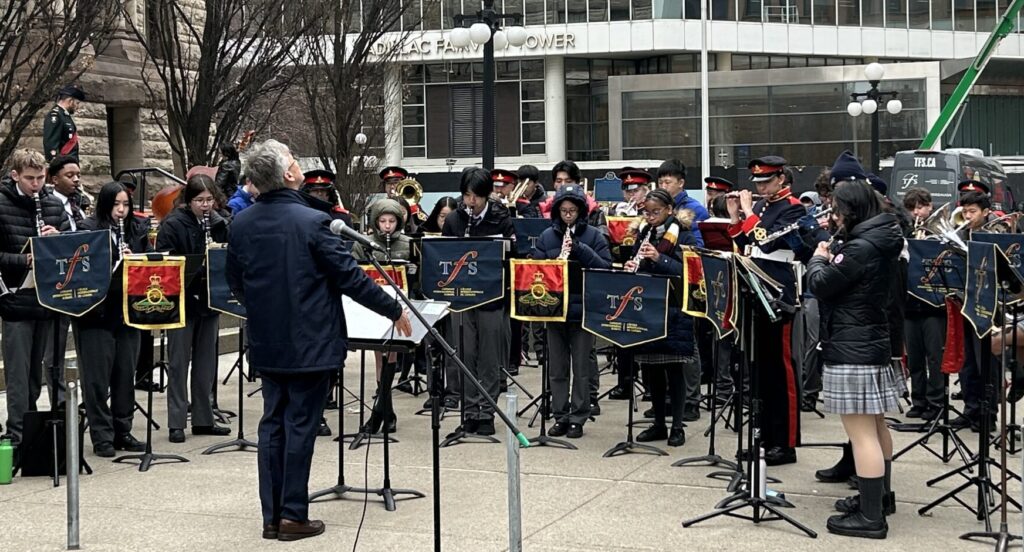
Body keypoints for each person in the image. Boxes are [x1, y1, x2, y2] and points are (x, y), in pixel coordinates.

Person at [227, 139, 411, 542]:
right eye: (293, 161)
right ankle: (293, 515)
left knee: (272, 425)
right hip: (310, 342)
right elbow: (350, 276)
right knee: (299, 426)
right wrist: (394, 309)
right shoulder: (313, 222)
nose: (297, 165)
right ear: (289, 174)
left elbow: (235, 282)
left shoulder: (241, 224)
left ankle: (271, 517)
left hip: (267, 341)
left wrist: (264, 309)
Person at [807, 179, 903, 539]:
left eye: (836, 210)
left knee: (862, 434)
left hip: (853, 346)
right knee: (877, 428)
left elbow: (822, 285)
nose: (833, 216)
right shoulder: (880, 239)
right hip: (871, 341)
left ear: (851, 210)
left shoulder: (861, 247)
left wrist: (818, 259)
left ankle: (871, 517)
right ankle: (879, 499)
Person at [726, 155, 811, 466]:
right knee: (760, 370)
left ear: (781, 180)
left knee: (782, 372)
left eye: (766, 181)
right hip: (756, 289)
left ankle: (785, 443)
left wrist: (748, 211)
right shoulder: (762, 208)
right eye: (757, 182)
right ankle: (764, 437)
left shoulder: (793, 207)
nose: (760, 187)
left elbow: (768, 241)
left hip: (781, 293)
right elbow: (747, 241)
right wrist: (736, 217)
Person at [74, 182, 150, 457]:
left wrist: (136, 261)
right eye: (116, 205)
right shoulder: (88, 229)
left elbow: (148, 264)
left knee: (124, 375)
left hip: (128, 312)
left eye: (126, 205)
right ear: (105, 205)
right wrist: (114, 262)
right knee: (96, 380)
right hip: (97, 314)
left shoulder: (136, 230)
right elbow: (83, 271)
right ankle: (101, 436)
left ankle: (123, 430)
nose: (121, 210)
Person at [0, 149, 70, 445]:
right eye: (30, 178)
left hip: (47, 298)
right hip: (15, 297)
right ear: (15, 176)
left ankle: (31, 430)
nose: (36, 185)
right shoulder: (2, 204)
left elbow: (75, 249)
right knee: (17, 375)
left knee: (35, 375)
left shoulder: (53, 204)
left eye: (41, 178)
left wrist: (58, 241)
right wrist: (25, 260)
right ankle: (17, 436)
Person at [531, 184, 612, 438]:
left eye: (572, 210)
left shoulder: (595, 236)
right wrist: (549, 266)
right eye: (564, 210)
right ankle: (560, 415)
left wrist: (579, 249)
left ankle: (579, 416)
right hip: (554, 309)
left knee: (581, 366)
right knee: (557, 367)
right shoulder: (547, 237)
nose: (568, 215)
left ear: (580, 212)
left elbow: (605, 268)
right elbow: (534, 268)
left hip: (582, 309)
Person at [156, 174, 230, 443]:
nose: (205, 205)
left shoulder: (218, 221)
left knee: (206, 364)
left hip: (209, 301)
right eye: (199, 200)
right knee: (178, 363)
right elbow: (163, 262)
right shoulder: (173, 224)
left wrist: (220, 226)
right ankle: (176, 422)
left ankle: (203, 418)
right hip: (182, 302)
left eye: (210, 199)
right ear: (188, 200)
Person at [441, 167, 515, 436]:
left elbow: (511, 254)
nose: (470, 202)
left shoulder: (500, 217)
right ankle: (469, 410)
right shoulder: (455, 220)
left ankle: (487, 411)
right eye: (466, 196)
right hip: (461, 298)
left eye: (475, 197)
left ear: (486, 196)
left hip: (491, 296)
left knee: (489, 357)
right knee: (464, 354)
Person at [623, 188, 697, 447]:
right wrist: (632, 264)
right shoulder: (643, 232)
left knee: (673, 368)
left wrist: (659, 258)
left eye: (656, 212)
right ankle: (658, 424)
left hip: (675, 307)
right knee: (650, 368)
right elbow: (636, 259)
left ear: (669, 210)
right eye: (647, 212)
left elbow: (689, 270)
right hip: (648, 306)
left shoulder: (683, 233)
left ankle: (677, 425)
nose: (651, 216)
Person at [350, 197, 412, 434]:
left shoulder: (407, 244)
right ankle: (386, 411)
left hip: (400, 308)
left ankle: (381, 413)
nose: (387, 226)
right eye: (383, 221)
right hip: (373, 307)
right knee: (379, 356)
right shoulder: (363, 244)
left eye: (392, 221)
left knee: (391, 355)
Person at [42, 155, 86, 405]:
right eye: (70, 175)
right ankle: (59, 402)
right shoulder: (48, 204)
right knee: (54, 351)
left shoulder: (78, 203)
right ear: (54, 178)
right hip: (58, 283)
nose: (76, 179)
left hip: (82, 280)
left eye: (78, 174)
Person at [902, 187, 945, 420]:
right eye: (912, 209)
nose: (917, 212)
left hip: (933, 304)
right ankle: (918, 400)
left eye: (921, 207)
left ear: (929, 206)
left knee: (934, 355)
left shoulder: (938, 230)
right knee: (915, 356)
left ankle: (936, 402)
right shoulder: (907, 231)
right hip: (911, 302)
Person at [656, 159, 709, 246]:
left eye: (667, 182)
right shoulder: (657, 207)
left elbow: (698, 246)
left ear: (681, 183)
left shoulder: (695, 209)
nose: (663, 187)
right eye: (660, 183)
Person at [43, 84, 84, 161]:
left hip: (69, 162)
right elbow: (51, 144)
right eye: (77, 103)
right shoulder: (55, 115)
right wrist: (55, 164)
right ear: (70, 101)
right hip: (62, 165)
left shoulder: (64, 115)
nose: (77, 107)